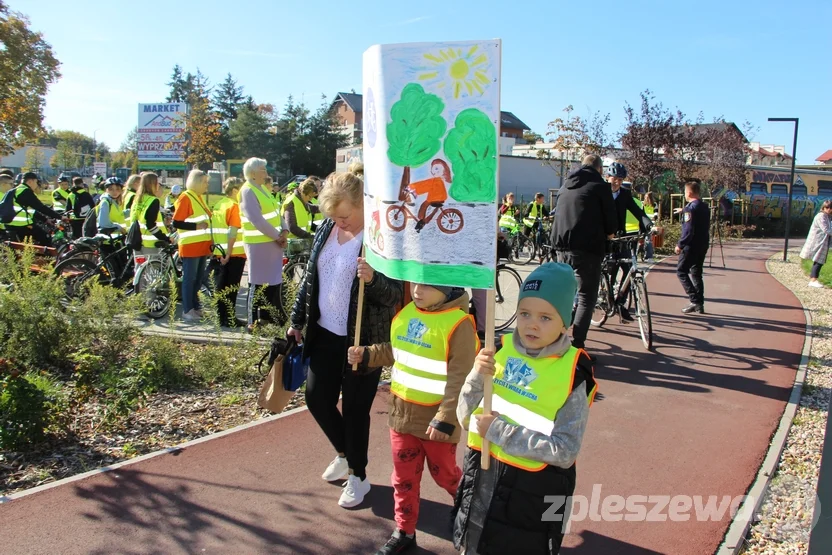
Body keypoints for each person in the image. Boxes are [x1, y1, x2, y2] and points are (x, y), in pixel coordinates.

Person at [452, 263, 597, 555]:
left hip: (534, 497)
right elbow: (466, 417)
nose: (532, 324)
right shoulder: (499, 351)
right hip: (482, 483)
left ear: (566, 321)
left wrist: (498, 430)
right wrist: (476, 376)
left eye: (545, 317)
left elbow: (565, 451)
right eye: (524, 314)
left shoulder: (572, 373)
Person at [287, 171, 402, 509]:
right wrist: (296, 320)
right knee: (316, 398)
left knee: (354, 410)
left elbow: (394, 294)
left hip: (362, 340)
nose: (339, 221)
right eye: (333, 216)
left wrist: (374, 278)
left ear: (363, 205)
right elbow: (311, 278)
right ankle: (344, 452)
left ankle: (359, 475)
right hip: (324, 333)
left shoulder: (381, 237)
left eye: (345, 216)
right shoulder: (327, 228)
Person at [347, 283, 477, 554]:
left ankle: (469, 510)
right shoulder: (406, 312)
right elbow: (396, 351)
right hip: (402, 415)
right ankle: (404, 530)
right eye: (416, 283)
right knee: (403, 478)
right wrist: (368, 354)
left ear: (448, 290)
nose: (418, 290)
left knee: (445, 475)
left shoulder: (458, 324)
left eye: (428, 285)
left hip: (437, 421)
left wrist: (446, 416)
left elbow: (460, 377)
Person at [551, 154, 618, 359]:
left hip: (561, 247)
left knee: (564, 295)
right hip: (587, 248)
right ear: (599, 169)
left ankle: (554, 340)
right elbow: (611, 223)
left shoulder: (565, 185)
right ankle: (577, 347)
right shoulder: (600, 187)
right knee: (586, 297)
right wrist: (610, 233)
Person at [239, 157, 288, 330]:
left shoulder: (262, 189)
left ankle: (266, 318)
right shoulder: (247, 191)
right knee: (257, 283)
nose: (266, 173)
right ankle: (252, 322)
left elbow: (277, 212)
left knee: (272, 284)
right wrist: (278, 236)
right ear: (253, 173)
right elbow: (257, 220)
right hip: (258, 245)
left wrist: (284, 230)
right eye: (263, 170)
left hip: (273, 244)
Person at [607, 163, 651, 322]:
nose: (616, 182)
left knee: (629, 269)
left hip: (622, 238)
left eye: (620, 179)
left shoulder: (624, 194)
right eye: (614, 178)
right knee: (610, 272)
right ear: (607, 177)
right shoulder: (600, 192)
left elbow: (638, 212)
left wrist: (648, 225)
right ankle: (608, 299)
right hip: (605, 239)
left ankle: (620, 302)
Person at [172, 170, 213, 322]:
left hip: (201, 245)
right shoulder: (186, 197)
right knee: (190, 278)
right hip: (190, 246)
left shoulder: (198, 197)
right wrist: (196, 227)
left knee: (197, 279)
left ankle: (195, 307)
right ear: (196, 182)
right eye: (205, 182)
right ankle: (187, 309)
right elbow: (176, 222)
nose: (207, 185)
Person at [210, 177, 247, 327]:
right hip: (234, 253)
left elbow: (214, 229)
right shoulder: (235, 206)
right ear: (234, 190)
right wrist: (229, 252)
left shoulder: (219, 204)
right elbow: (233, 231)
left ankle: (221, 317)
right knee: (232, 288)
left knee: (221, 287)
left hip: (220, 251)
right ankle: (230, 319)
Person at [675, 181, 710, 314]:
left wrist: (680, 244)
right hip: (702, 244)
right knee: (696, 274)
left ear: (688, 193)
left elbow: (688, 231)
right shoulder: (704, 206)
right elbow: (697, 216)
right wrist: (683, 210)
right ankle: (700, 304)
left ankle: (694, 300)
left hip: (691, 245)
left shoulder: (690, 209)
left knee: (681, 271)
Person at [4, 172, 63, 245]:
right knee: (45, 238)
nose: (37, 184)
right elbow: (41, 207)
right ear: (30, 181)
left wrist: (45, 219)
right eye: (36, 182)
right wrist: (61, 217)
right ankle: (43, 256)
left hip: (11, 225)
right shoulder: (25, 191)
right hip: (21, 226)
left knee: (33, 244)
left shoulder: (17, 190)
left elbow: (31, 211)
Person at [129, 172, 172, 259]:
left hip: (137, 241)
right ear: (152, 184)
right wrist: (165, 238)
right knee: (153, 270)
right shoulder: (153, 200)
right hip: (151, 243)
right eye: (157, 183)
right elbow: (151, 225)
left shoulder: (138, 199)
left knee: (140, 269)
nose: (158, 185)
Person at [407, 159, 452, 233]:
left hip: (435, 198)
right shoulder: (437, 180)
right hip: (437, 198)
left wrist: (412, 188)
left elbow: (424, 185)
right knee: (426, 207)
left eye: (437, 168)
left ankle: (421, 221)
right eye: (434, 168)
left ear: (444, 170)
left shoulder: (436, 180)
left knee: (424, 206)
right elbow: (425, 185)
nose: (435, 171)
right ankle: (422, 221)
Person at [801, 200, 832, 288]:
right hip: (818, 241)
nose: (829, 209)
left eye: (831, 208)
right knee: (819, 260)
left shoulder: (828, 217)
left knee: (819, 261)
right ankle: (813, 280)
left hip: (822, 241)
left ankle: (813, 279)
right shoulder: (821, 216)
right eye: (827, 207)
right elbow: (826, 230)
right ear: (823, 207)